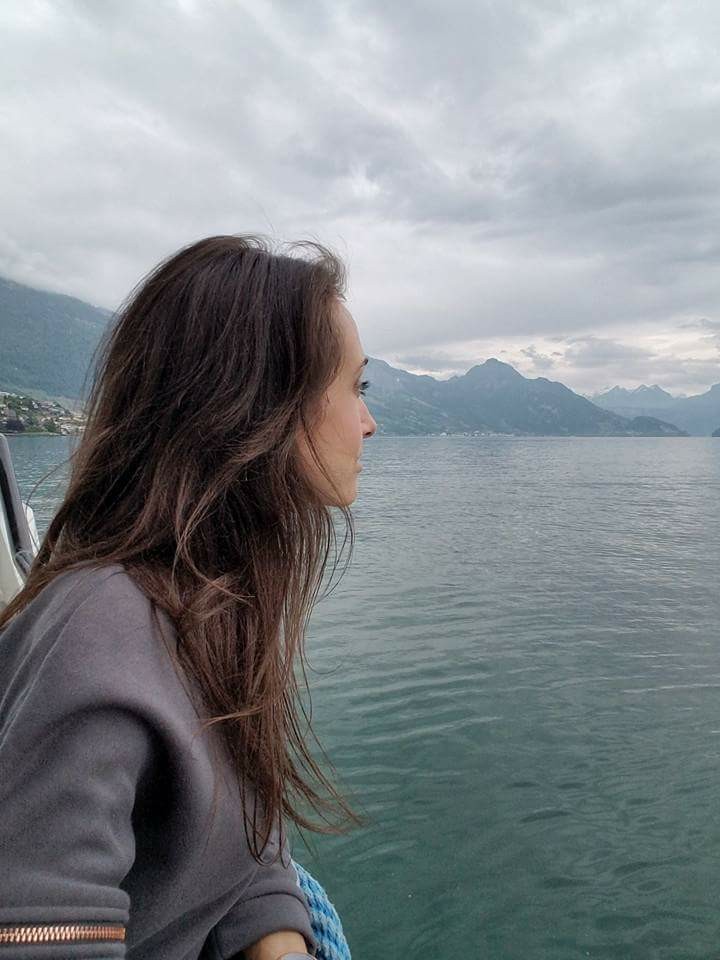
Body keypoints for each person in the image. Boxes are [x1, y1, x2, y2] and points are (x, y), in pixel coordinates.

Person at [0, 235, 377, 960]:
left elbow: (244, 847)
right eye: (356, 388)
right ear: (264, 403)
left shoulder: (210, 606)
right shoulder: (99, 638)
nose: (368, 422)